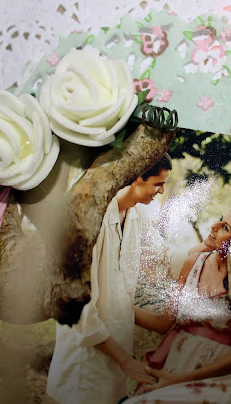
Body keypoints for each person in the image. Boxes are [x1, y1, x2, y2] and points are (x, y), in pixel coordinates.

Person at [46, 154, 173, 404]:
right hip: (84, 361)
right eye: (158, 184)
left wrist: (202, 256)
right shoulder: (93, 221)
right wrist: (126, 362)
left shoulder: (136, 215)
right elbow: (81, 312)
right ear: (136, 178)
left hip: (117, 353)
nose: (161, 191)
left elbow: (162, 257)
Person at [121, 202, 231, 404]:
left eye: (225, 227)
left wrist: (177, 381)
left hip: (213, 383)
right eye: (220, 219)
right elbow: (163, 323)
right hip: (173, 367)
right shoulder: (194, 263)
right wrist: (117, 305)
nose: (214, 226)